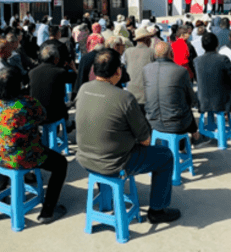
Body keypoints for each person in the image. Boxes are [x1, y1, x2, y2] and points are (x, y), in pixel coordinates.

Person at [76, 48, 180, 224]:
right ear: (118, 71)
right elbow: (145, 140)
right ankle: (157, 210)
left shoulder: (83, 89)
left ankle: (106, 199)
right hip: (115, 162)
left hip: (86, 159)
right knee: (165, 156)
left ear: (94, 70)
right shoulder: (124, 98)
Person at [0, 66, 68, 224]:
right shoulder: (25, 104)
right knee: (61, 164)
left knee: (8, 147)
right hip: (23, 157)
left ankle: (2, 194)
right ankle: (48, 211)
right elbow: (42, 116)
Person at [144, 42, 200, 144]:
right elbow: (191, 100)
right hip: (176, 123)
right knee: (185, 105)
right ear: (171, 54)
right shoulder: (181, 71)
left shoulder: (146, 69)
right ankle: (191, 139)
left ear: (155, 55)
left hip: (153, 121)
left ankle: (183, 141)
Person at [194, 32, 231, 124]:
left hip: (203, 100)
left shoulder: (196, 61)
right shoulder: (223, 59)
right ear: (217, 44)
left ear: (202, 46)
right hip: (222, 101)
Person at [29, 45, 75, 130]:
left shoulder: (32, 72)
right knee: (60, 103)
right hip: (54, 115)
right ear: (56, 58)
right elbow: (74, 78)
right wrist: (74, 69)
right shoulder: (60, 72)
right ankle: (68, 124)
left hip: (37, 114)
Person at [123, 27, 156, 112]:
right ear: (146, 39)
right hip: (146, 95)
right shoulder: (152, 52)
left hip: (130, 93)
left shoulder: (128, 51)